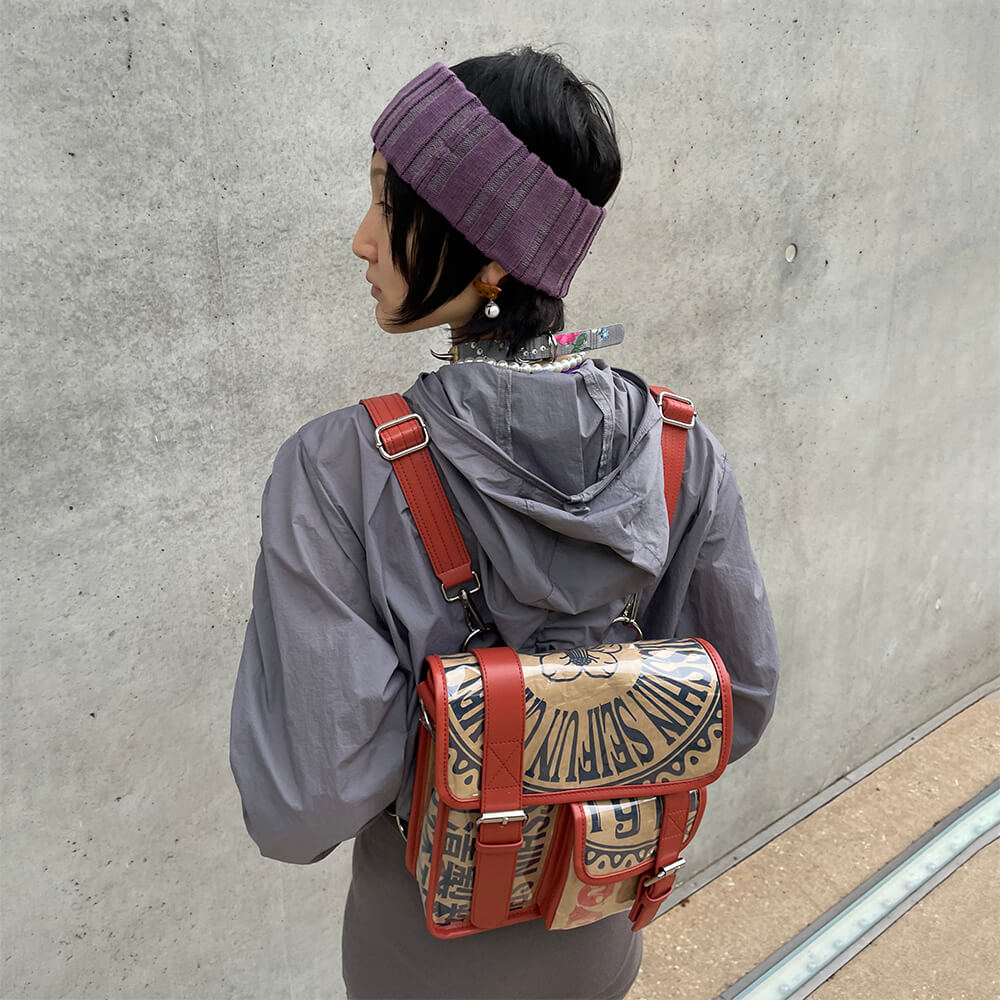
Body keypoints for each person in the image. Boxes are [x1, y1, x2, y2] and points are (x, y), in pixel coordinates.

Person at [230, 47, 779, 1000]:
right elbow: (744, 699)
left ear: (492, 255)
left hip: (420, 954)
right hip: (598, 918)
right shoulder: (683, 450)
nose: (363, 240)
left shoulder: (339, 468)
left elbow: (306, 801)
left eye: (388, 207)